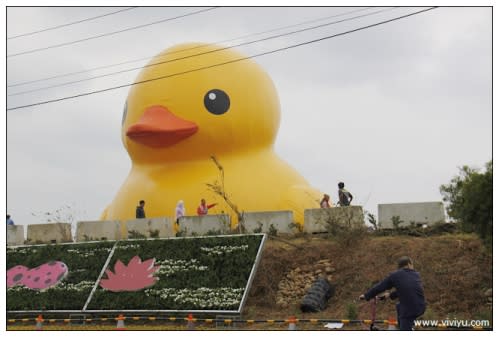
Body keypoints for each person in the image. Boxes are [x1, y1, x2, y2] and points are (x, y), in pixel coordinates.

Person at [359, 256, 426, 331]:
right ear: (409, 264)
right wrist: (390, 295)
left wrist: (366, 295)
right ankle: (404, 327)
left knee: (405, 324)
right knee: (399, 306)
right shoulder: (416, 274)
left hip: (409, 310)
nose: (413, 267)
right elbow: (407, 289)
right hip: (421, 306)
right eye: (412, 265)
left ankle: (405, 328)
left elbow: (380, 286)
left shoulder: (395, 275)